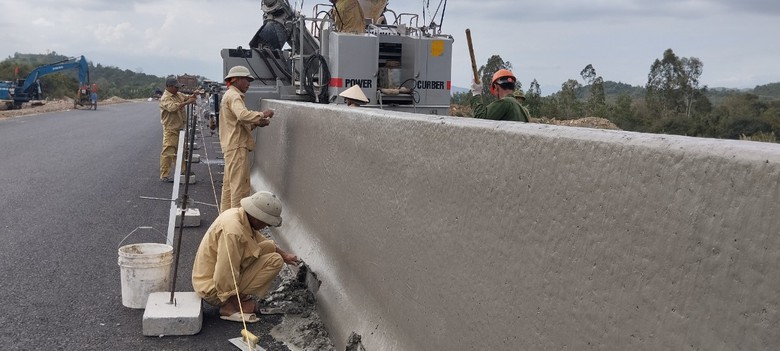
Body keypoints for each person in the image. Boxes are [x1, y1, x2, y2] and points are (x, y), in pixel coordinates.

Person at [192, 191, 299, 323]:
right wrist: (234, 305)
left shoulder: (240, 215)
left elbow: (259, 240)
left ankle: (236, 297)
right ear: (257, 217)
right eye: (267, 223)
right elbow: (225, 272)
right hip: (213, 289)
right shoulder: (233, 232)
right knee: (275, 261)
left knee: (269, 248)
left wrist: (285, 256)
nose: (267, 226)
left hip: (213, 277)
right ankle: (230, 305)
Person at [219, 66, 275, 212]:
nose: (249, 84)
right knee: (240, 189)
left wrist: (256, 123)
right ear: (236, 80)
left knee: (229, 188)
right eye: (246, 80)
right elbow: (242, 115)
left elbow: (238, 124)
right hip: (237, 148)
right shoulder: (234, 96)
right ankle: (236, 221)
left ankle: (225, 219)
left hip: (231, 147)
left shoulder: (229, 95)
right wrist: (262, 114)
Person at [159, 77, 197, 182]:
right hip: (170, 129)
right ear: (169, 87)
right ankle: (165, 175)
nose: (177, 89)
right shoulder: (165, 98)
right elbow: (173, 108)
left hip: (179, 127)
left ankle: (183, 170)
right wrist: (187, 102)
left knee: (180, 150)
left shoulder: (178, 94)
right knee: (168, 151)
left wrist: (194, 95)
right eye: (176, 87)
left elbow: (187, 97)